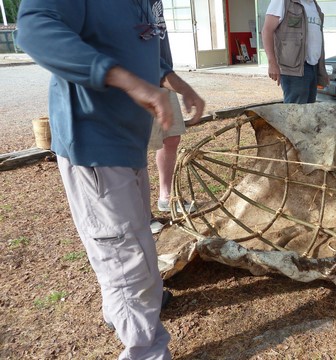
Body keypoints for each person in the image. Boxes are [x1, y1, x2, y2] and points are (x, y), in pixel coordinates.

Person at [16, 0, 204, 358]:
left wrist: (175, 82)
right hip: (94, 142)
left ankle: (124, 308)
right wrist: (130, 82)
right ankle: (145, 350)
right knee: (125, 254)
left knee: (128, 241)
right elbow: (35, 28)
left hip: (126, 141)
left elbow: (140, 47)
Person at [148, 34, 204, 234]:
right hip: (137, 77)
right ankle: (141, 213)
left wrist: (179, 85)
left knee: (171, 138)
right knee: (136, 145)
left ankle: (166, 196)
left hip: (162, 74)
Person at [262, 0, 330, 104]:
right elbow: (267, 30)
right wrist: (272, 63)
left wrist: (321, 71)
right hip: (293, 68)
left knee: (308, 111)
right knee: (294, 113)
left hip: (313, 66)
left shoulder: (315, 6)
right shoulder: (283, 2)